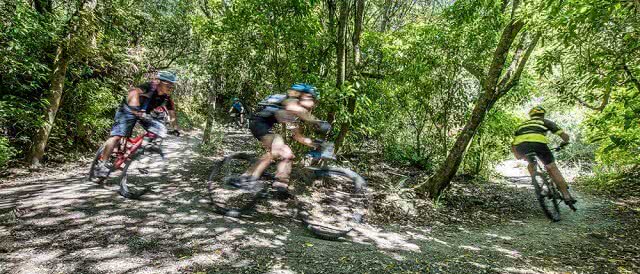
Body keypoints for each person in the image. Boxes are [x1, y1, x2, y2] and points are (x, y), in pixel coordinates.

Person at [240, 83, 331, 193]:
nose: (312, 103)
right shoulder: (289, 101)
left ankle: (280, 186)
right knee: (276, 149)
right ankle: (247, 178)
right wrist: (317, 122)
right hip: (258, 122)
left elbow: (298, 137)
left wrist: (315, 144)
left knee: (288, 154)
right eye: (310, 98)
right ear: (301, 96)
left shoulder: (293, 114)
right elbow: (295, 108)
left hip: (264, 126)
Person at [93, 71, 180, 177]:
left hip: (143, 115)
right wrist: (135, 108)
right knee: (116, 136)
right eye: (168, 84)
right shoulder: (149, 87)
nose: (171, 87)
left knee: (156, 131)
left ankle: (139, 158)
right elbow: (133, 92)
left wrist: (175, 127)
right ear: (159, 82)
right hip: (128, 110)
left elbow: (171, 112)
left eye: (172, 85)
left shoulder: (166, 97)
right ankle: (102, 164)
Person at [511, 106, 577, 206]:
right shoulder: (545, 121)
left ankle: (536, 182)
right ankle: (566, 195)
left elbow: (513, 143)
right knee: (551, 167)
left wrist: (517, 155)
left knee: (531, 162)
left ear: (531, 116)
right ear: (543, 115)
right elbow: (564, 136)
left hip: (520, 146)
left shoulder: (522, 125)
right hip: (538, 144)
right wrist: (565, 142)